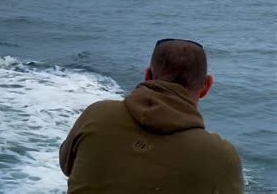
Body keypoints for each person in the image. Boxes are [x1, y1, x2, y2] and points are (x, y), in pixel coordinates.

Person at [59, 39, 244, 193]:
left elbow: (66, 166)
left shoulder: (96, 114)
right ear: (206, 86)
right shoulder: (222, 157)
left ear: (147, 75)